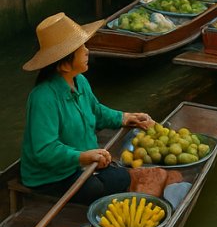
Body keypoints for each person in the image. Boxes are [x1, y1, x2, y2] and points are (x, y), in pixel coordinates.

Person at [20, 13, 154, 204]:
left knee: (120, 178)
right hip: (51, 176)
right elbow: (45, 150)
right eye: (80, 48)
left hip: (80, 163)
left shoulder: (79, 81)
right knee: (97, 187)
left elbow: (96, 111)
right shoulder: (43, 98)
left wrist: (124, 117)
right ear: (64, 65)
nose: (87, 51)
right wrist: (82, 157)